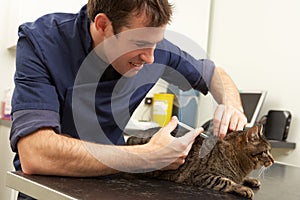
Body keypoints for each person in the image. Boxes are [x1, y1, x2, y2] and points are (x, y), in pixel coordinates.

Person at [10, 0, 247, 183]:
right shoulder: (42, 42)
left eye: (156, 43)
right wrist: (147, 156)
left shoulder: (152, 48)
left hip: (114, 184)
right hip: (47, 187)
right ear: (103, 25)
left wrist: (232, 105)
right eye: (139, 44)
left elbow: (216, 74)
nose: (151, 57)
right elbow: (36, 154)